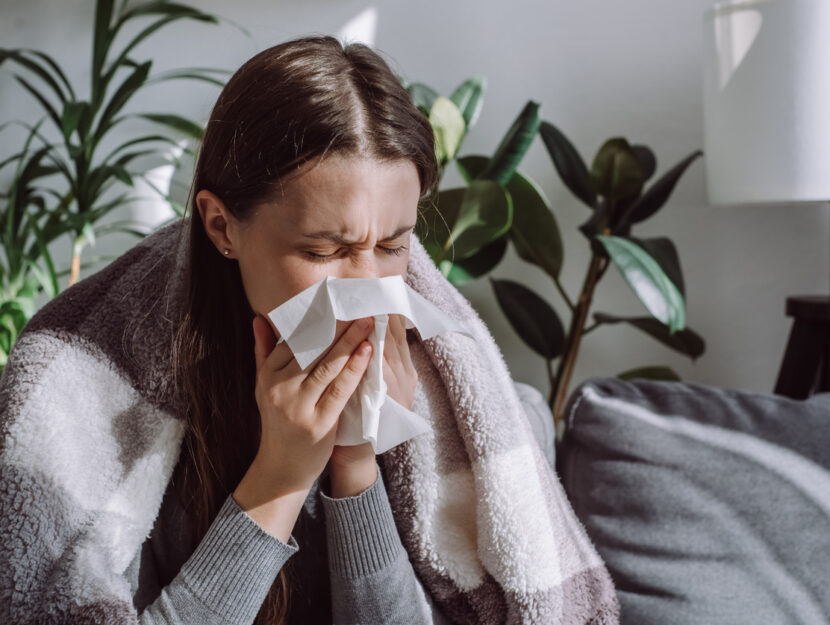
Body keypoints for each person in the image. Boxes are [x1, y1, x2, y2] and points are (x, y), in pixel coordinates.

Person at [0, 35, 619, 625]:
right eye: (326, 251)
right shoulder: (100, 393)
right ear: (222, 227)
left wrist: (356, 461)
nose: (366, 287)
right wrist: (282, 476)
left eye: (393, 247)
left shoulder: (435, 377)